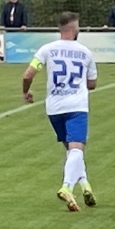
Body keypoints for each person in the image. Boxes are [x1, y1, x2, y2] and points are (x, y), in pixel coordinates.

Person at [22, 11, 100, 211]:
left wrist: (26, 92)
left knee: (72, 151)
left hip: (54, 108)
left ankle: (85, 186)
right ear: (74, 28)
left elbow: (28, 74)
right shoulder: (85, 52)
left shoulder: (47, 50)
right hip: (76, 106)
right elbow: (92, 84)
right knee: (76, 149)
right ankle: (67, 187)